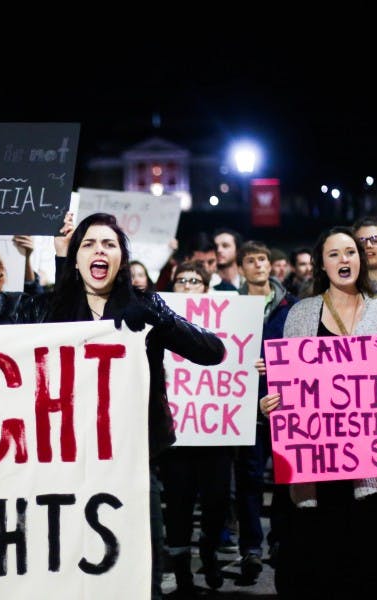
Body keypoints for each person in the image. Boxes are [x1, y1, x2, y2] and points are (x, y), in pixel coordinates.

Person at [18, 212, 226, 599]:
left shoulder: (145, 305)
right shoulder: (48, 310)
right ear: (75, 258)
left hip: (132, 460)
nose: (99, 251)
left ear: (121, 259)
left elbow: (213, 352)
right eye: (89, 244)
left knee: (140, 563)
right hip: (67, 463)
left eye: (109, 244)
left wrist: (160, 319)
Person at [262, 226, 377, 597]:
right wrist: (270, 405)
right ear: (321, 263)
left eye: (350, 252)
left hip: (369, 464)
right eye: (334, 253)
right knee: (320, 560)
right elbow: (289, 385)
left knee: (367, 559)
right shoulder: (301, 314)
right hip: (317, 462)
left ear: (361, 260)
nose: (344, 259)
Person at [158, 260, 233, 594]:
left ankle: (208, 549)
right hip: (177, 432)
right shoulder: (158, 323)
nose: (187, 286)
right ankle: (182, 569)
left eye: (195, 281)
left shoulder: (229, 319)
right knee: (179, 503)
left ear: (206, 287)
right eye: (181, 281)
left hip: (217, 431)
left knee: (217, 500)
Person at [232, 240, 298, 586]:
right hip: (247, 409)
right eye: (251, 261)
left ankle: (281, 540)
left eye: (263, 259)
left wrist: (276, 366)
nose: (259, 265)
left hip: (287, 406)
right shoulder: (230, 306)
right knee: (250, 481)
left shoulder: (292, 306)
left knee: (287, 479)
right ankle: (251, 548)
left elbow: (305, 351)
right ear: (241, 268)